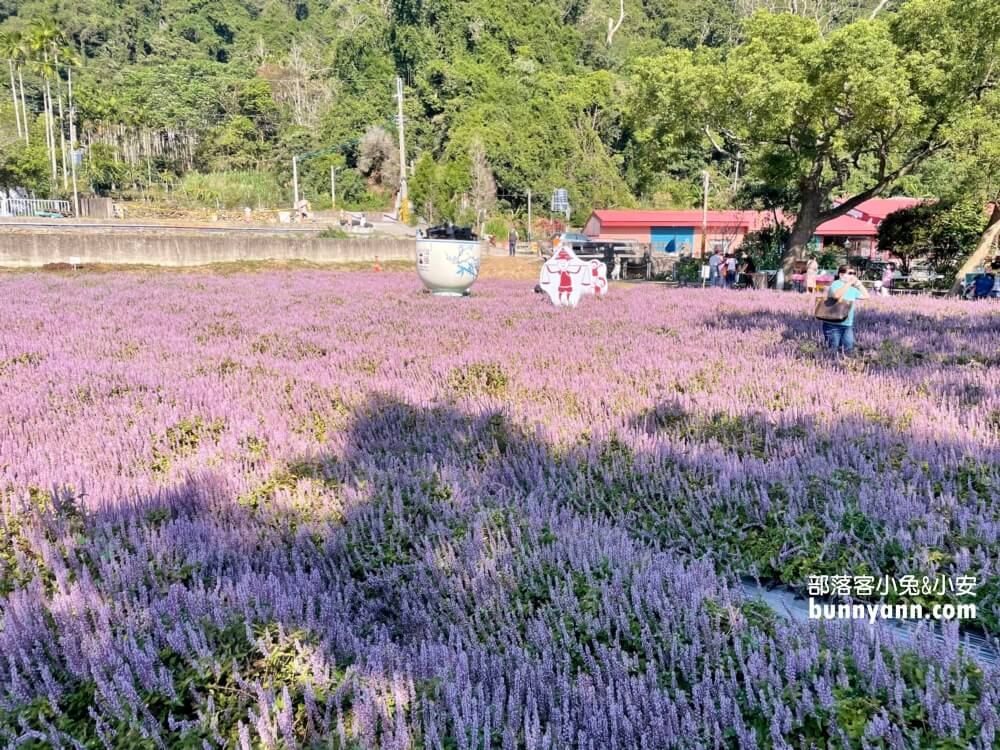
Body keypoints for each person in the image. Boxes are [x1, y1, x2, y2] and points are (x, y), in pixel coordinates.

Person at [822, 264, 868, 355]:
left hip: (847, 325)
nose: (852, 275)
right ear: (841, 274)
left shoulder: (852, 289)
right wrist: (848, 283)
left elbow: (866, 296)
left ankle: (845, 366)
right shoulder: (836, 284)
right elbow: (836, 295)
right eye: (850, 273)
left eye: (854, 273)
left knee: (848, 350)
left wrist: (859, 285)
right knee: (832, 351)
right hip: (833, 324)